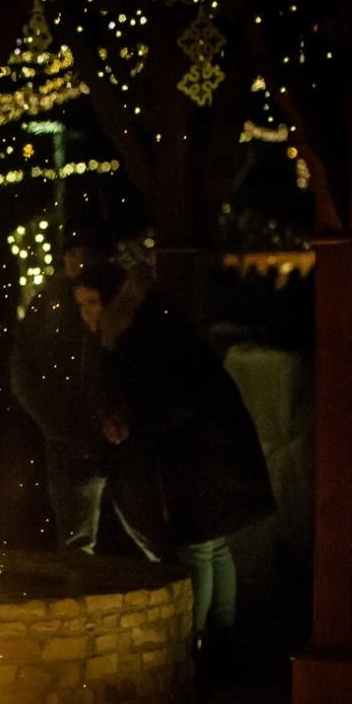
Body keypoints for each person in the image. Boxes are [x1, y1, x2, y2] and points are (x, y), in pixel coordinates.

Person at [72, 260, 275, 674]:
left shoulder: (142, 335)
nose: (86, 312)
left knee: (198, 548)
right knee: (212, 545)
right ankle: (221, 643)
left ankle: (193, 649)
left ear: (113, 300)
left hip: (203, 451)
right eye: (81, 304)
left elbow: (177, 398)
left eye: (92, 302)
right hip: (210, 448)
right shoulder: (140, 326)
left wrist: (130, 422)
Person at [10, 225, 167, 560]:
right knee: (77, 545)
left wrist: (125, 417)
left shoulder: (122, 302)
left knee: (155, 539)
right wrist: (62, 427)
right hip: (71, 443)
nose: (79, 260)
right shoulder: (47, 307)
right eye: (72, 252)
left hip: (124, 442)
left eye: (86, 252)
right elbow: (24, 375)